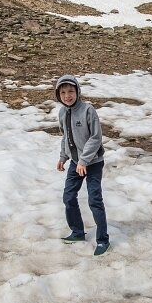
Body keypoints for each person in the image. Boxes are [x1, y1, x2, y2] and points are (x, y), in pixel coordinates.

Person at [55, 75, 109, 255]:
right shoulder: (62, 112)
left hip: (93, 163)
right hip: (75, 163)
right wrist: (63, 157)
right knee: (68, 197)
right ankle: (77, 231)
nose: (67, 95)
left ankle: (103, 240)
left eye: (71, 91)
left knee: (95, 200)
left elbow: (96, 138)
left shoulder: (88, 110)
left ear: (77, 92)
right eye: (63, 92)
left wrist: (85, 160)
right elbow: (65, 137)